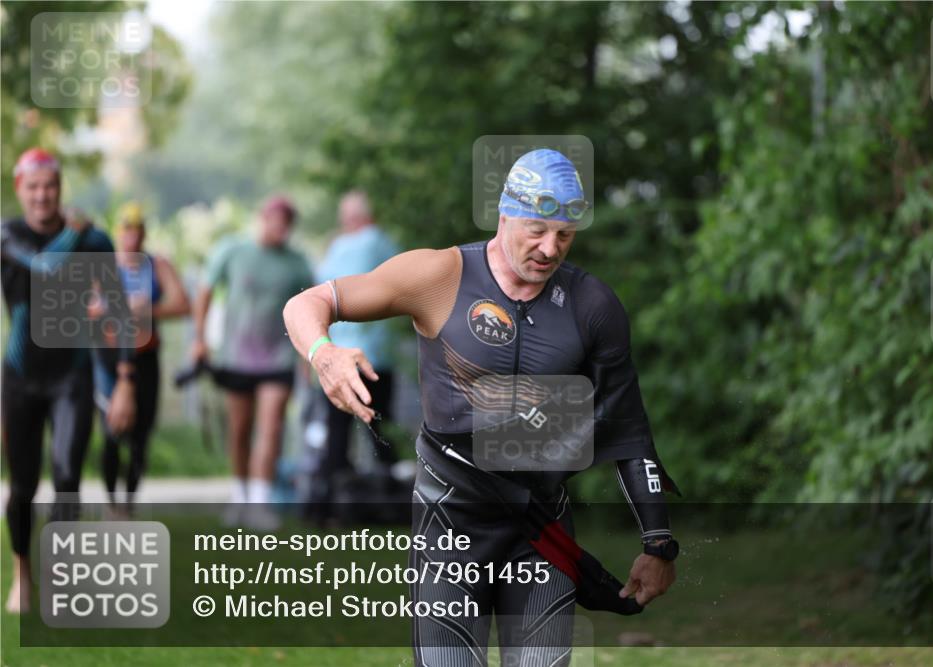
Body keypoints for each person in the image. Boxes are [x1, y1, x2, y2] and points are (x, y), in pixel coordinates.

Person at [284, 149, 681, 665]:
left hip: (539, 530)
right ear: (505, 214)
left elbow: (628, 430)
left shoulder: (593, 307)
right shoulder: (439, 276)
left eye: (564, 235)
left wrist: (658, 542)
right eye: (536, 229)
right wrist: (324, 354)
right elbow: (305, 304)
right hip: (450, 522)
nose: (549, 248)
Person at [1, 148, 137, 613]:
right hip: (20, 377)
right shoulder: (7, 235)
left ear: (60, 189)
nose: (42, 196)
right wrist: (74, 233)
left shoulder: (95, 240)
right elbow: (44, 269)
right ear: (20, 189)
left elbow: (119, 306)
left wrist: (125, 378)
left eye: (50, 186)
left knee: (66, 479)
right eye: (33, 187)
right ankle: (23, 575)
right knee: (22, 487)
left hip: (71, 377)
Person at [190, 195, 313, 529]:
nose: (280, 229)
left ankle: (261, 501)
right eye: (275, 221)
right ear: (262, 218)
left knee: (271, 426)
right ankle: (240, 495)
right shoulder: (232, 251)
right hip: (235, 358)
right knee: (240, 430)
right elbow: (204, 290)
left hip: (279, 358)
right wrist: (199, 339)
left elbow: (312, 309)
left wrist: (310, 355)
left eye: (286, 224)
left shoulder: (297, 264)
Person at [304, 190, 400, 521]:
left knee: (336, 435)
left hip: (333, 357)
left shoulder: (334, 251)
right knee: (380, 429)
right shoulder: (381, 243)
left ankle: (324, 509)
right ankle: (390, 505)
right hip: (374, 359)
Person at [92, 202, 190, 515]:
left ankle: (128, 502)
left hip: (145, 355)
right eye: (126, 228)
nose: (132, 236)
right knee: (112, 430)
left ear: (144, 232)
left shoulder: (156, 265)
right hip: (109, 356)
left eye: (137, 229)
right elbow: (82, 307)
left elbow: (181, 303)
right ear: (118, 231)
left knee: (141, 432)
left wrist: (146, 309)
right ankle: (110, 502)